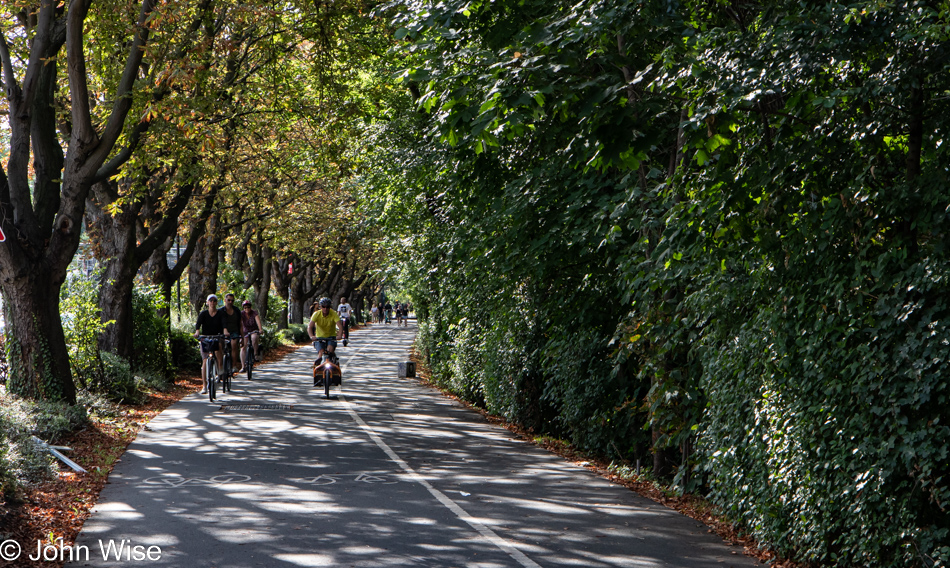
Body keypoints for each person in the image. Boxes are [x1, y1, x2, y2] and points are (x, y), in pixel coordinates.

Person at [194, 294, 231, 394]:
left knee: (219, 346)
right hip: (206, 338)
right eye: (210, 301)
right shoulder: (203, 314)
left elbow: (224, 324)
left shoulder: (221, 313)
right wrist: (197, 332)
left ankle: (220, 367)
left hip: (217, 337)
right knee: (205, 361)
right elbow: (198, 324)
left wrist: (225, 331)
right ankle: (204, 386)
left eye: (214, 301)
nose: (212, 303)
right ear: (207, 302)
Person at [308, 297, 343, 387]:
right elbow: (310, 327)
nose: (325, 309)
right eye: (323, 307)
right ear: (320, 307)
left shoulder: (333, 313)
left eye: (327, 307)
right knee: (321, 353)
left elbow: (340, 325)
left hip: (331, 337)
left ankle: (332, 370)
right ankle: (319, 373)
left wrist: (339, 335)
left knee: (330, 351)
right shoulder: (316, 314)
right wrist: (312, 336)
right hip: (319, 338)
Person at [239, 299, 264, 373]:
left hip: (253, 330)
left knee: (254, 337)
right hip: (245, 331)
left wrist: (260, 329)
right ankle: (243, 366)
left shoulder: (254, 313)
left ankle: (255, 354)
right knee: (243, 348)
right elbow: (240, 323)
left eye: (248, 307)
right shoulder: (242, 314)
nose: (247, 309)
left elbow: (258, 321)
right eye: (245, 307)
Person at [221, 293, 242, 375]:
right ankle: (221, 366)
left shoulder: (236, 310)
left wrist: (242, 337)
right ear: (225, 300)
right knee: (220, 346)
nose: (230, 302)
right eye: (229, 300)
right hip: (223, 332)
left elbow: (240, 324)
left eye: (232, 300)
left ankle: (234, 366)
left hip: (234, 332)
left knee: (234, 344)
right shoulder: (221, 311)